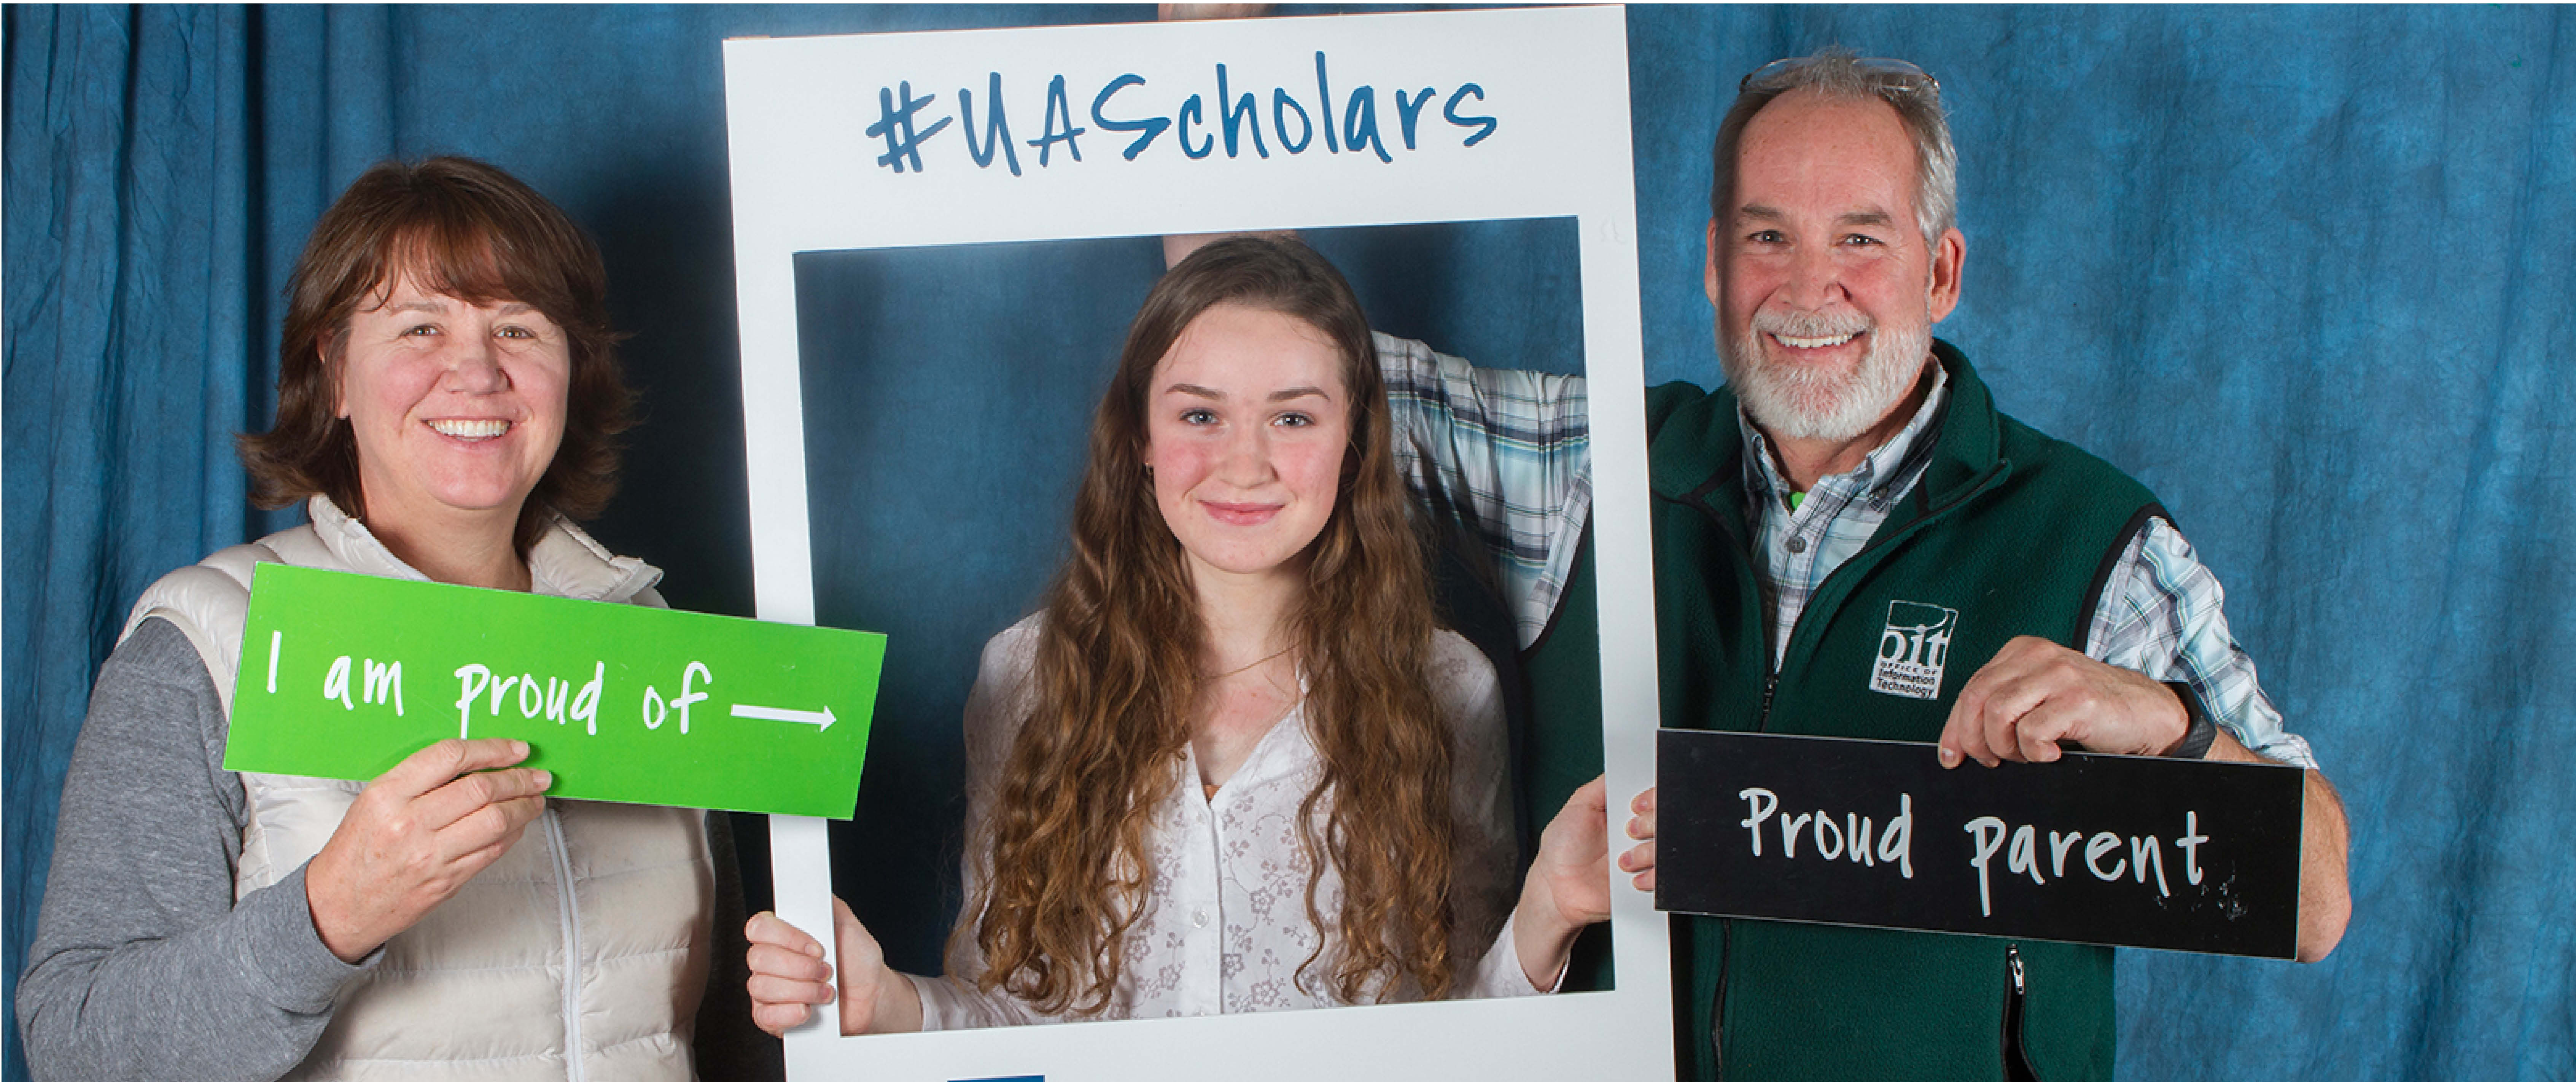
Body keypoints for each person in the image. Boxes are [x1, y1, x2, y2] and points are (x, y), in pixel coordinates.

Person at [1370, 51, 2354, 1081]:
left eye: (1859, 238)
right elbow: (1277, 377)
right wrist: (1220, 70)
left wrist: (2164, 720)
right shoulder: (1589, 471)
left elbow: (2314, 903)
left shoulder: (2092, 537)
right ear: (1712, 261)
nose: (1807, 289)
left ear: (1940, 272)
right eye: (1768, 237)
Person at [743, 235, 1622, 1034]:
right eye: (1200, 415)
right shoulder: (1028, 676)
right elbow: (1009, 1010)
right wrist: (887, 1003)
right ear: (1140, 438)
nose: (1245, 464)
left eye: (1293, 417)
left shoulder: (1444, 687)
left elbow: (1457, 1034)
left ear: (1355, 444)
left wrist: (1547, 910)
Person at [15, 157, 758, 1082]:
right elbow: (74, 1040)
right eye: (421, 326)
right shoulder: (209, 641)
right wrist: (329, 915)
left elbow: (725, 1030)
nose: (478, 372)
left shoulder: (650, 638)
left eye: (518, 329)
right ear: (333, 372)